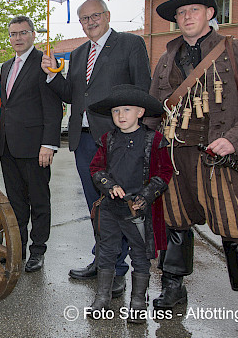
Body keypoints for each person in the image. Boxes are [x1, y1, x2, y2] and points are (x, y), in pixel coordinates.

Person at [148, 0, 238, 337]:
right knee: (175, 222)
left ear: (210, 13)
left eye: (193, 10)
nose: (186, 17)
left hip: (219, 157)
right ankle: (173, 286)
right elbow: (155, 110)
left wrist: (233, 140)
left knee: (236, 227)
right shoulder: (166, 59)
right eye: (181, 13)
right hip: (175, 155)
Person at [41, 0, 152, 294]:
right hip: (84, 138)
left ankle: (116, 270)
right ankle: (102, 260)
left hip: (119, 138)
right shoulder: (78, 54)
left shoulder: (130, 44)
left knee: (119, 204)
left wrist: (141, 134)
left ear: (107, 16)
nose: (90, 22)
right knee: (96, 205)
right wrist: (53, 74)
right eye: (84, 19)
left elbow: (142, 88)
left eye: (95, 16)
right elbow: (73, 95)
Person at [86, 84, 173, 323]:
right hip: (112, 208)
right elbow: (96, 168)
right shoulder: (108, 139)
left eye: (127, 110)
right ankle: (102, 296)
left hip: (139, 211)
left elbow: (164, 172)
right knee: (107, 251)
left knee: (141, 256)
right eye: (116, 111)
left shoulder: (154, 140)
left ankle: (137, 302)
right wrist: (108, 184)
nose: (121, 116)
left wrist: (145, 196)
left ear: (140, 113)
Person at [0, 16, 63, 272]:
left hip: (36, 148)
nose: (18, 38)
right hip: (8, 147)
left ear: (33, 35)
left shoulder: (44, 64)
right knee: (15, 204)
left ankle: (38, 251)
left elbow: (53, 107)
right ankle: (18, 249)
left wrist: (49, 143)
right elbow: (7, 106)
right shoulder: (4, 66)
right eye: (13, 34)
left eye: (23, 33)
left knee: (39, 201)